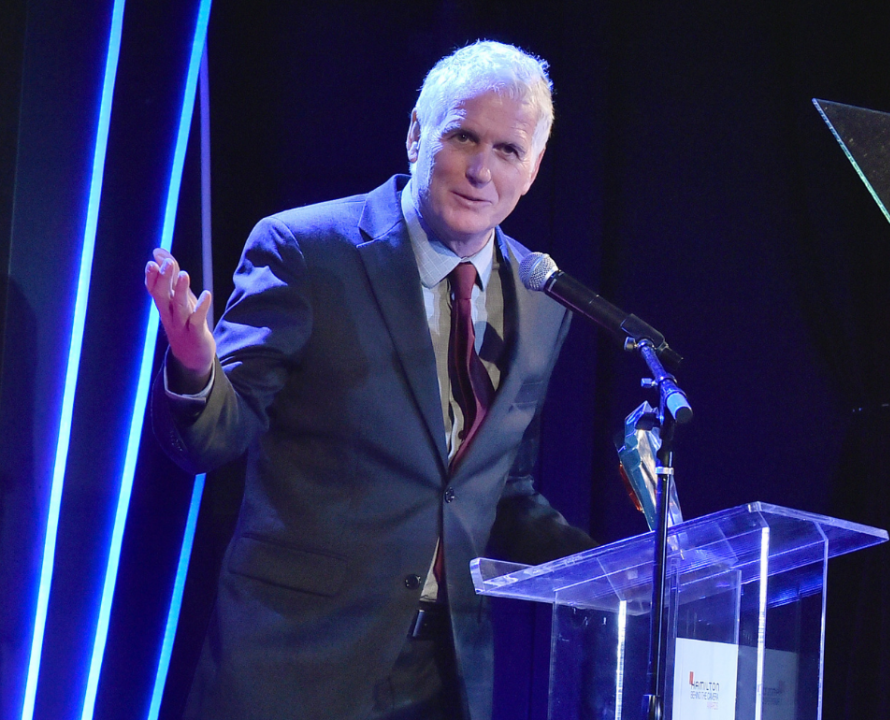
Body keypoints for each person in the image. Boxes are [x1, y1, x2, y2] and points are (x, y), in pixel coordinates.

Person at [146, 40, 596, 720]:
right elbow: (214, 439)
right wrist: (194, 367)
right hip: (295, 661)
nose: (480, 169)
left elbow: (503, 492)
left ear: (532, 169)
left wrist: (628, 571)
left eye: (507, 151)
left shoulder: (540, 296)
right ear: (417, 136)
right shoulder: (306, 250)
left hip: (443, 677)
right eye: (462, 136)